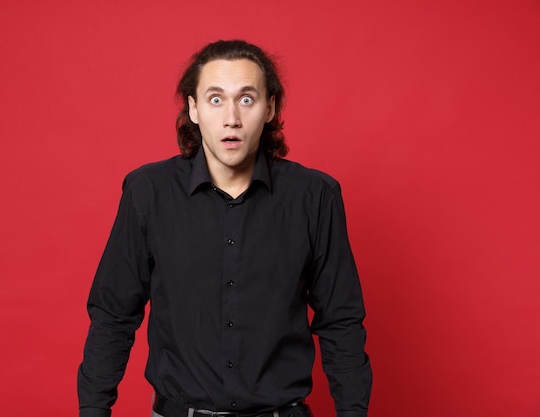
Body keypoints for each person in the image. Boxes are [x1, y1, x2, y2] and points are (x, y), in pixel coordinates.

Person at [78, 39, 372, 417]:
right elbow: (113, 314)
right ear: (193, 108)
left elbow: (341, 322)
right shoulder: (148, 192)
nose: (231, 117)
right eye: (215, 99)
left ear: (271, 108)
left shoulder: (315, 196)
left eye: (246, 99)